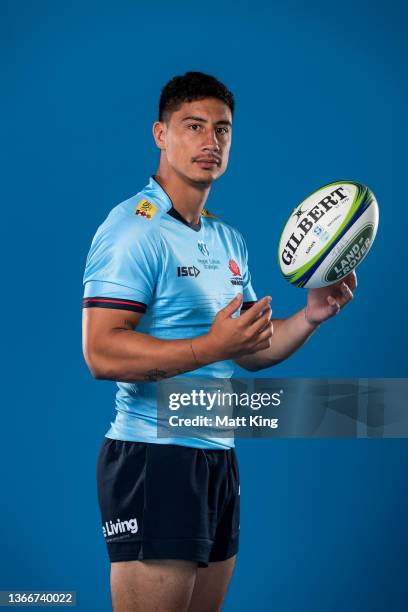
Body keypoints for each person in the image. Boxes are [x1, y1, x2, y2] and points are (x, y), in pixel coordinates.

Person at [82, 71, 356, 612]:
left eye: (222, 130)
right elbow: (102, 352)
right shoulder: (131, 230)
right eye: (194, 126)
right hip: (152, 457)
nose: (210, 142)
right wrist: (210, 346)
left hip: (215, 459)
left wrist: (312, 315)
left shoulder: (227, 238)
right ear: (160, 134)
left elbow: (251, 349)